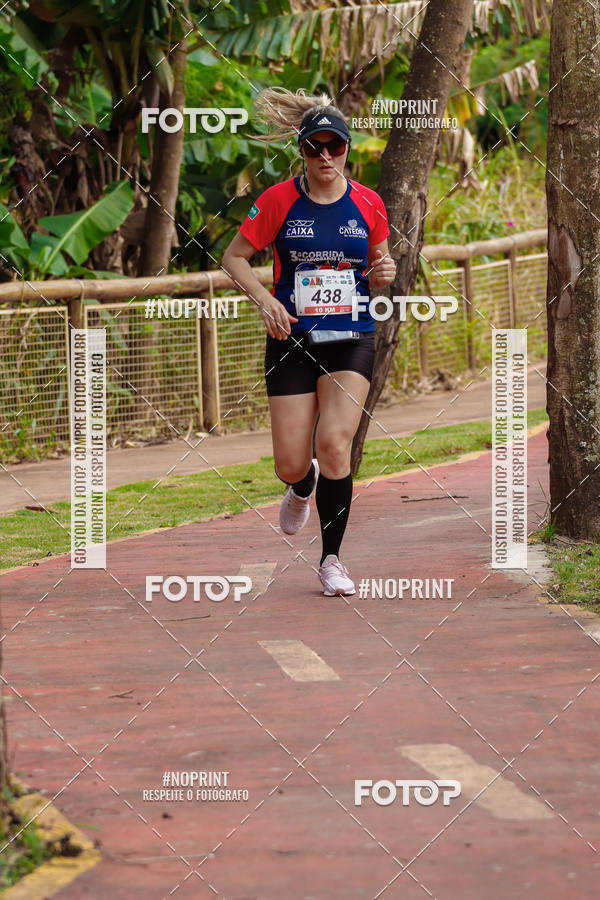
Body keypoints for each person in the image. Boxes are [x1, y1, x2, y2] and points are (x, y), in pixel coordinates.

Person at [222, 87, 396, 596]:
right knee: (291, 463)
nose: (325, 157)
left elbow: (378, 267)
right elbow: (234, 257)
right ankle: (302, 484)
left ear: (347, 149)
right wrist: (264, 299)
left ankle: (332, 561)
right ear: (301, 150)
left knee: (335, 442)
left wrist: (382, 271)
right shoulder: (277, 201)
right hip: (292, 337)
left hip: (350, 337)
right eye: (314, 147)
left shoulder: (369, 202)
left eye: (334, 147)